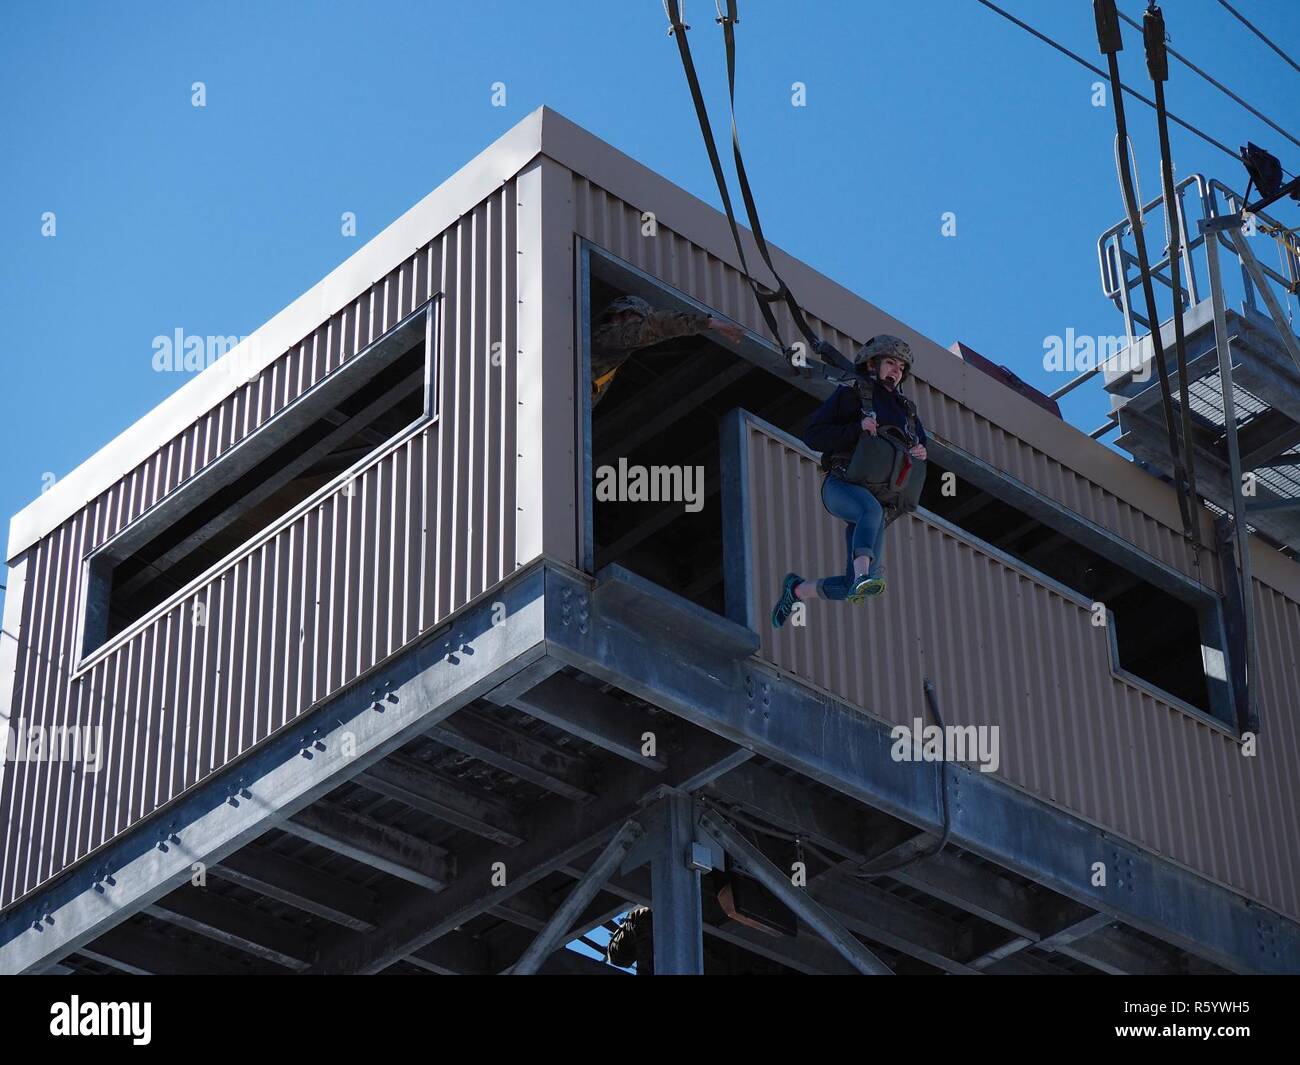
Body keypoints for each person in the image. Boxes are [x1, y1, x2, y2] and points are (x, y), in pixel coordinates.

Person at [771, 334, 927, 626]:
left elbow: (920, 448)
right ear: (873, 364)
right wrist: (857, 428)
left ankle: (796, 590)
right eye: (891, 362)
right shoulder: (851, 396)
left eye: (901, 367)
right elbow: (813, 435)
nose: (896, 371)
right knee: (870, 520)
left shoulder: (909, 415)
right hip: (841, 486)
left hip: (877, 500)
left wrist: (920, 450)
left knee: (854, 588)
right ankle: (863, 574)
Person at [590, 295, 744, 407]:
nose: (640, 329)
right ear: (623, 315)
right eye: (638, 321)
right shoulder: (605, 337)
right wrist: (708, 323)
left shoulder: (612, 352)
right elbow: (657, 327)